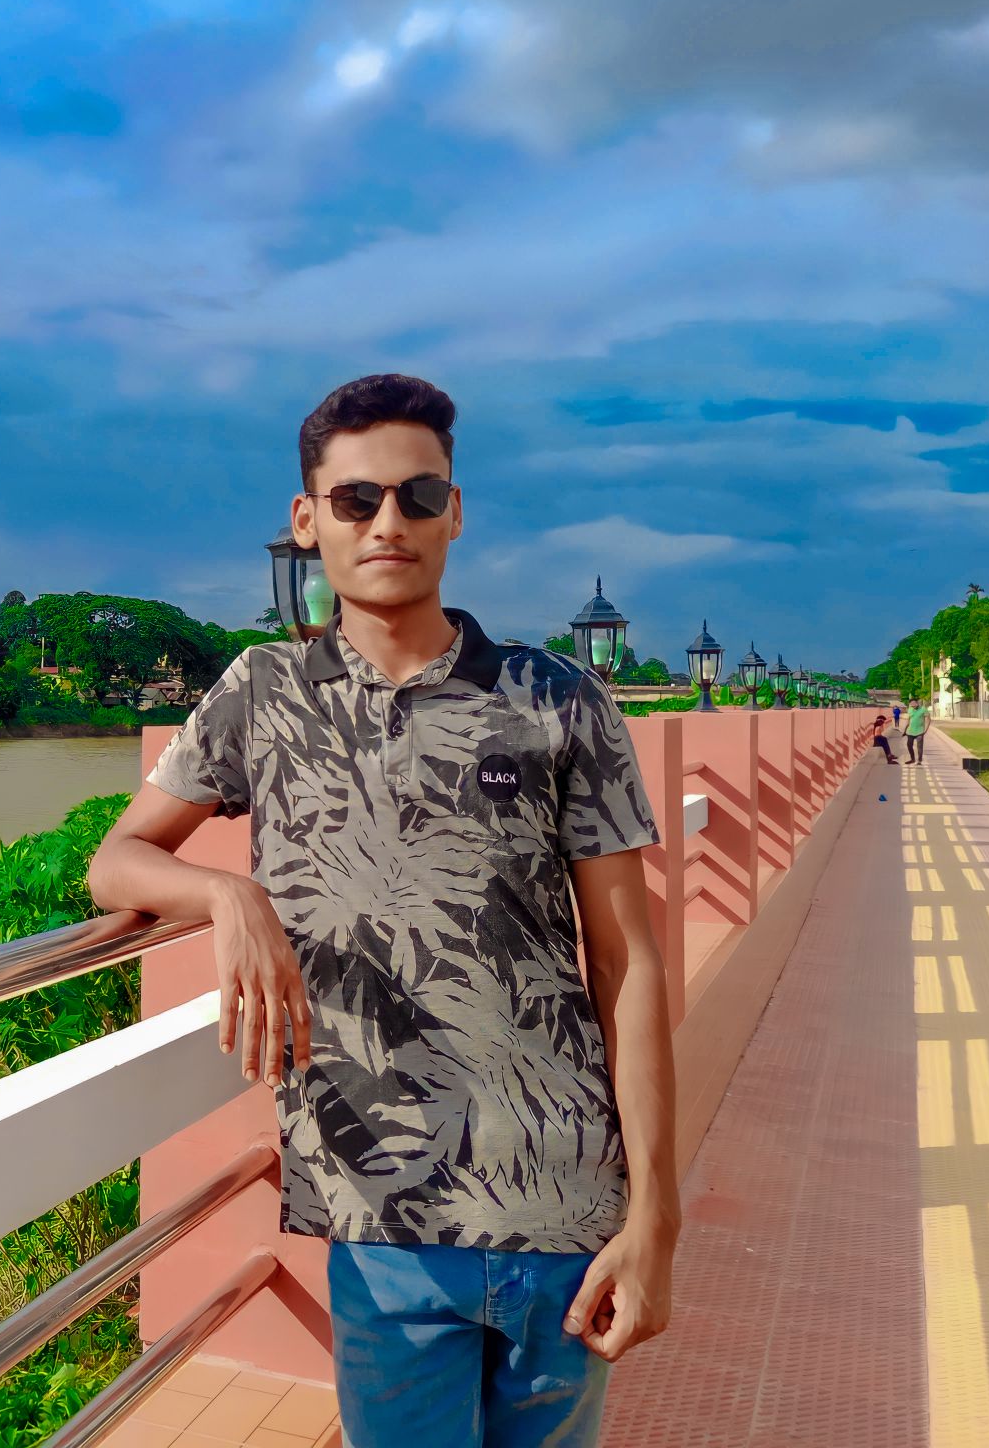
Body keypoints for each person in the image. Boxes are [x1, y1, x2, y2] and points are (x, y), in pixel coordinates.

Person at [87, 374, 677, 1448]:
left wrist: (656, 1221)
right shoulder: (262, 693)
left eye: (417, 495)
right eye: (355, 500)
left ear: (455, 511)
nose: (387, 522)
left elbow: (627, 962)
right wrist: (227, 892)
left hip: (565, 1215)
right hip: (378, 1220)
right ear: (308, 521)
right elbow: (116, 863)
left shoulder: (557, 699)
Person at [904, 699, 929, 764]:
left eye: (914, 704)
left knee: (919, 746)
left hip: (920, 731)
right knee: (909, 745)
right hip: (910, 731)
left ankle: (919, 760)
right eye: (911, 704)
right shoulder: (910, 710)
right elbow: (908, 720)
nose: (913, 705)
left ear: (917, 703)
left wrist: (925, 730)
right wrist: (905, 730)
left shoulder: (923, 709)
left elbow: (928, 720)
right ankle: (912, 759)